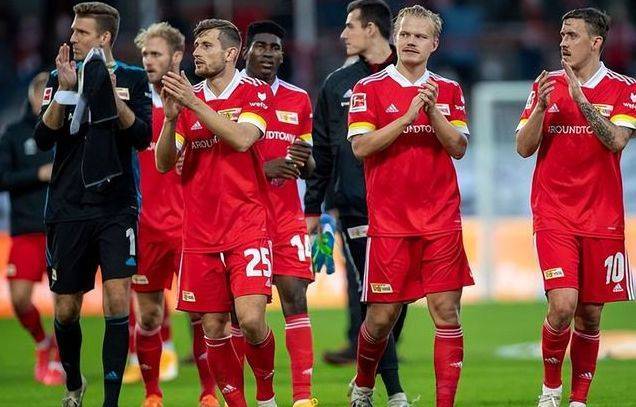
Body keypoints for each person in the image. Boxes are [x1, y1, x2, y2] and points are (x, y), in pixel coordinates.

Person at [347, 5, 473, 407]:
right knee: (381, 318)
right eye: (405, 34)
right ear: (395, 39)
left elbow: (458, 147)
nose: (411, 42)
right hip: (391, 224)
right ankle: (363, 386)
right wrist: (406, 118)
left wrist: (432, 111)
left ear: (434, 44)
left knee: (446, 312)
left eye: (420, 36)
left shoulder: (448, 90)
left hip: (441, 221)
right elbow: (360, 147)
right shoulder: (369, 88)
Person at [515, 8, 636, 407]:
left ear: (595, 42)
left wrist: (581, 99)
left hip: (603, 218)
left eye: (572, 35)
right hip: (554, 214)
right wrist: (539, 109)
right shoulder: (546, 85)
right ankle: (550, 391)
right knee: (563, 304)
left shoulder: (624, 88)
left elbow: (616, 141)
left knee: (591, 314)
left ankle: (578, 400)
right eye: (562, 35)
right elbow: (524, 148)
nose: (563, 42)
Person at [33, 2, 151, 406]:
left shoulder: (134, 79)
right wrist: (66, 91)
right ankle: (73, 383)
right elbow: (43, 139)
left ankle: (111, 401)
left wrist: (108, 93)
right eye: (72, 31)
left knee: (117, 298)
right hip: (68, 207)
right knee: (66, 309)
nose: (72, 38)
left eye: (81, 32)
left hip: (117, 206)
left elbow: (141, 136)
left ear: (104, 37)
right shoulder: (58, 76)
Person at [156, 18, 277, 407]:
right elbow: (163, 163)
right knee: (213, 326)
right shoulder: (186, 99)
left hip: (247, 225)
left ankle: (266, 397)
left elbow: (242, 139)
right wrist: (171, 118)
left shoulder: (255, 92)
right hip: (200, 233)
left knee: (252, 320)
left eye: (206, 45)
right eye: (196, 45)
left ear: (230, 53)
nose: (197, 52)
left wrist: (193, 104)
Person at [304, 1, 408, 404]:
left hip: (409, 208)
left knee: (397, 299)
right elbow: (325, 151)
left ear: (372, 29)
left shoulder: (412, 75)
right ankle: (394, 392)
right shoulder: (337, 85)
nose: (343, 34)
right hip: (357, 207)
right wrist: (313, 208)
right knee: (375, 296)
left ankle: (363, 377)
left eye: (350, 26)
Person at [132, 22, 220, 407]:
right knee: (149, 316)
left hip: (191, 227)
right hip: (146, 228)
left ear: (177, 56)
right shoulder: (132, 107)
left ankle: (208, 394)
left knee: (201, 314)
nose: (148, 61)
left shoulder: (197, 101)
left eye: (156, 54)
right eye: (145, 54)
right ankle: (153, 394)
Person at [242, 20, 317, 407]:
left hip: (286, 216)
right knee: (243, 317)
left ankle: (303, 397)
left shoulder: (298, 98)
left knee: (295, 298)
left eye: (274, 47)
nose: (268, 53)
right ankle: (263, 396)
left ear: (282, 55)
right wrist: (263, 169)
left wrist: (305, 161)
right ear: (245, 51)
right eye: (261, 46)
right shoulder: (230, 93)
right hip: (242, 218)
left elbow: (308, 165)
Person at [0, 72, 64, 386]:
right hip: (27, 229)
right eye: (42, 93)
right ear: (32, 96)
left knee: (65, 300)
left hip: (62, 229)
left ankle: (59, 358)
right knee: (20, 299)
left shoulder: (68, 131)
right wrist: (38, 173)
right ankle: (42, 341)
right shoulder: (14, 134)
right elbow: (2, 179)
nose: (45, 99)